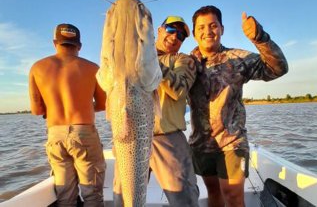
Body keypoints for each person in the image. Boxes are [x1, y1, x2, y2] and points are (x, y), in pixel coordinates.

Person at [188, 6, 288, 207]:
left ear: (222, 29)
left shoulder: (238, 58)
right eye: (201, 27)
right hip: (202, 144)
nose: (208, 31)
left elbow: (278, 68)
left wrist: (260, 38)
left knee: (233, 197)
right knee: (214, 193)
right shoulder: (187, 64)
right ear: (194, 33)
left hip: (233, 142)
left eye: (213, 25)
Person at [113, 16, 199, 207]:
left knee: (184, 200)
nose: (175, 36)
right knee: (122, 200)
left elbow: (179, 90)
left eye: (181, 35)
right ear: (159, 30)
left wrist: (148, 57)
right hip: (131, 138)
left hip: (167, 139)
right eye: (171, 29)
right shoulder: (131, 58)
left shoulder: (183, 60)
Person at [29, 23, 107, 207]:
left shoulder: (37, 67)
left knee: (65, 195)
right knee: (92, 195)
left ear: (55, 42)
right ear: (79, 45)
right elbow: (103, 104)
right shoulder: (93, 68)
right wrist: (83, 106)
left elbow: (37, 110)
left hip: (55, 135)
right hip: (84, 134)